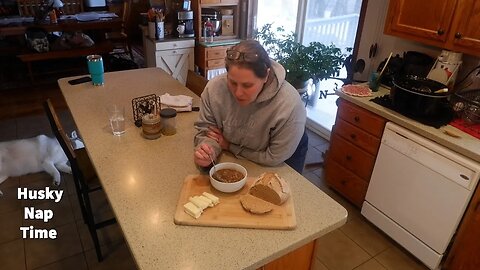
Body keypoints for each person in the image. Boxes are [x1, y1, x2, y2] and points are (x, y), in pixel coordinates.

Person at [193, 40, 308, 173]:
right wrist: (208, 150)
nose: (238, 93)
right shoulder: (214, 89)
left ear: (266, 75)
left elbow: (273, 158)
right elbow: (208, 132)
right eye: (232, 82)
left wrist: (229, 146)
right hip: (239, 156)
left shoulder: (289, 105)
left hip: (281, 160)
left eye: (247, 85)